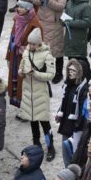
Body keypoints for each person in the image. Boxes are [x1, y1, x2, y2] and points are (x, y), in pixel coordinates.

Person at [18, 27, 57, 159]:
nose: (31, 46)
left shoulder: (47, 55)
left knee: (45, 123)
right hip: (29, 93)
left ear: (40, 43)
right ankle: (36, 146)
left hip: (41, 93)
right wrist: (21, 73)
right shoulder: (26, 52)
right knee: (32, 121)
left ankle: (50, 146)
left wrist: (35, 74)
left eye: (33, 44)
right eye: (30, 43)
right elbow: (22, 66)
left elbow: (51, 75)